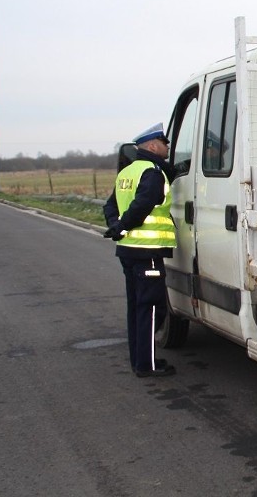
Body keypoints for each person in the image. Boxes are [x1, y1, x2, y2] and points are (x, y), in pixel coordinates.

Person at [103, 123, 177, 378]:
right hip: (147, 252)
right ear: (152, 146)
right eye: (164, 142)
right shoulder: (153, 172)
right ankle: (148, 365)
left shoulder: (128, 172)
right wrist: (122, 226)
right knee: (152, 307)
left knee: (136, 306)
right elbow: (143, 205)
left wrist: (116, 227)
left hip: (128, 251)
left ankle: (138, 359)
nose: (168, 146)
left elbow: (110, 206)